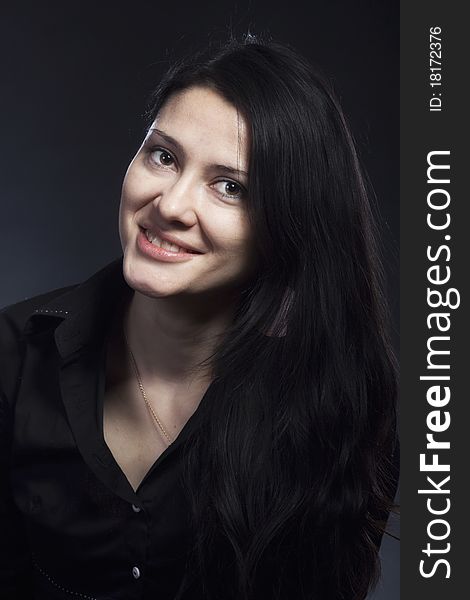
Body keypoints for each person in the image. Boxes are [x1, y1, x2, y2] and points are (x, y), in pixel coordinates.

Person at [0, 35, 399, 600]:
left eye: (229, 187)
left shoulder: (334, 407)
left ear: (287, 225)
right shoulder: (13, 357)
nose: (170, 205)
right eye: (164, 155)